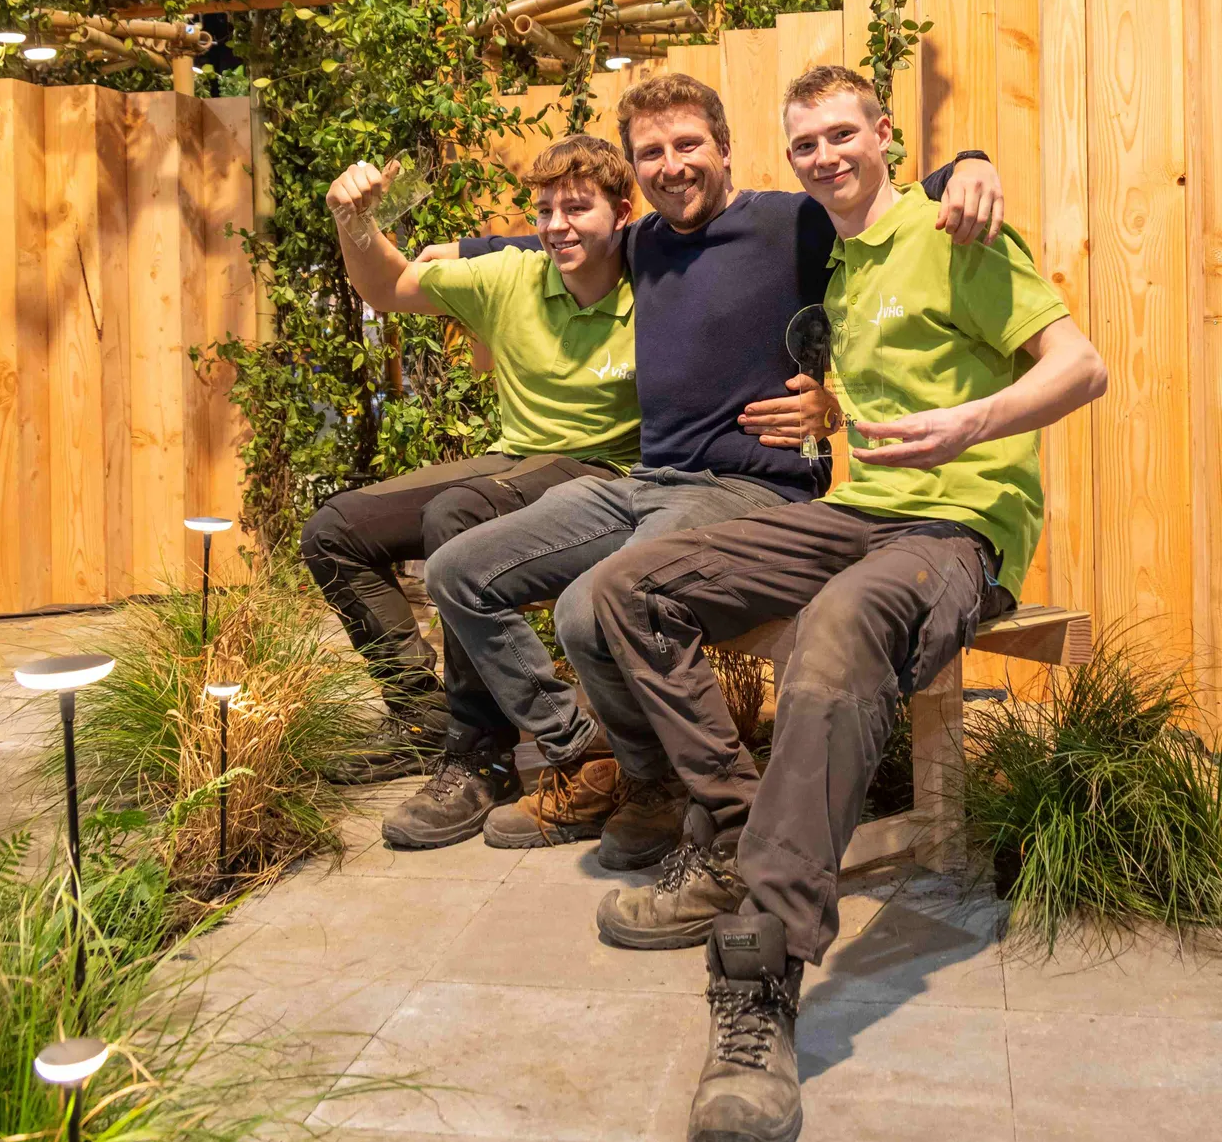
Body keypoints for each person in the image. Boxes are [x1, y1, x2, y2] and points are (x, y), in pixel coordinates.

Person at [574, 63, 1107, 1142]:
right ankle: (727, 827)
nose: (824, 156)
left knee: (833, 635)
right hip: (851, 508)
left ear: (881, 136)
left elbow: (1080, 366)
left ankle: (757, 977)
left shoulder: (953, 233)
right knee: (627, 590)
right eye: (804, 142)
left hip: (952, 533)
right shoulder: (842, 257)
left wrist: (973, 425)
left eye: (840, 135)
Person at [422, 70, 1005, 853]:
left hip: (750, 489)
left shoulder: (792, 223)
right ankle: (593, 757)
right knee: (458, 572)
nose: (672, 165)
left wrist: (970, 161)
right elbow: (560, 234)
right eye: (651, 152)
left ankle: (671, 792)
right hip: (644, 481)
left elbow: (887, 192)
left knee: (586, 607)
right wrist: (466, 247)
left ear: (724, 148)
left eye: (687, 144)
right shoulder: (643, 244)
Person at [302, 134, 682, 866]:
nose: (558, 224)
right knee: (333, 530)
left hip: (608, 474)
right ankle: (424, 723)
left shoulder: (661, 284)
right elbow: (387, 288)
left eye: (577, 207)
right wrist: (355, 223)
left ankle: (481, 756)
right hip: (516, 460)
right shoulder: (510, 275)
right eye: (545, 209)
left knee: (460, 515)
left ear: (624, 212)